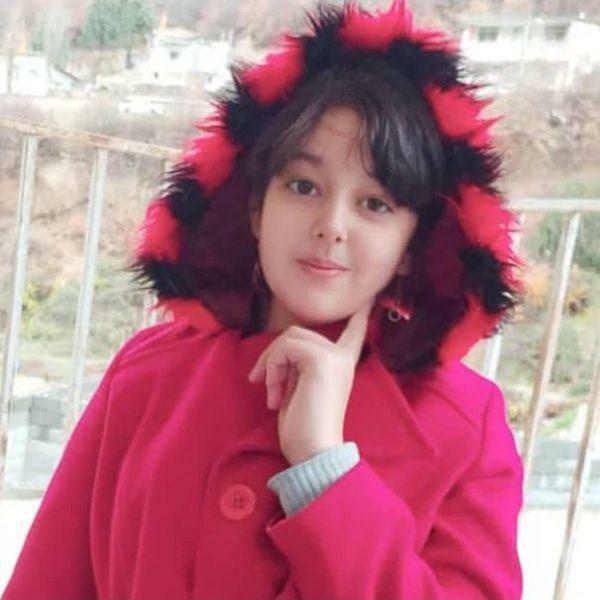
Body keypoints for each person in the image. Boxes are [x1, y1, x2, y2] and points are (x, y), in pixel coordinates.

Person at [1, 1, 527, 598]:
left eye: (375, 203)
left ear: (412, 244)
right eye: (303, 186)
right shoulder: (148, 377)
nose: (332, 226)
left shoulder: (464, 428)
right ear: (255, 208)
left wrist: (325, 471)